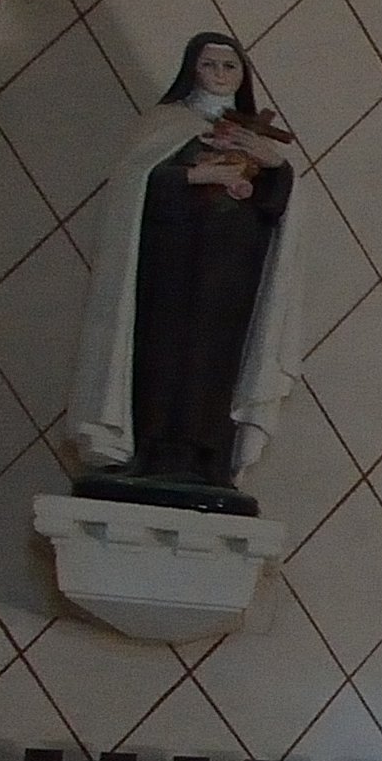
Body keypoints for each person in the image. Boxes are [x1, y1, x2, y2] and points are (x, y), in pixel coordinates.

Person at [64, 30, 300, 509]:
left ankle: (207, 459)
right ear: (192, 69)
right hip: (169, 269)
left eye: (229, 67)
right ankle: (149, 454)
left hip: (232, 273)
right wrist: (202, 174)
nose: (219, 75)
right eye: (210, 66)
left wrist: (270, 162)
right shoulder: (166, 124)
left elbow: (278, 202)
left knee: (214, 364)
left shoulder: (254, 132)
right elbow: (139, 186)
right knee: (161, 355)